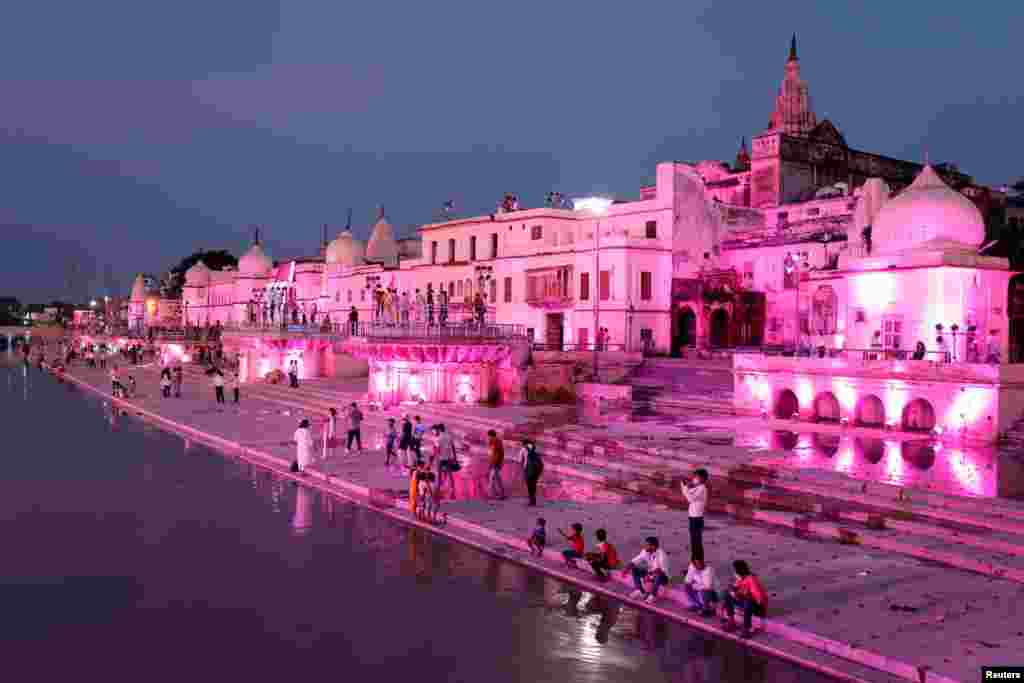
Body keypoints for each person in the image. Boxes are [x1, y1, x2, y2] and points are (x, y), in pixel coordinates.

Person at [721, 560, 767, 638]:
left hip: (758, 608)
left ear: (739, 571)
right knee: (727, 594)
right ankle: (731, 622)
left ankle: (746, 629)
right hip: (747, 603)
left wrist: (743, 594)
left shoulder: (751, 580)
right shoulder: (741, 579)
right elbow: (735, 589)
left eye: (735, 571)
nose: (734, 573)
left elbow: (759, 599)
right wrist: (733, 591)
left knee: (748, 602)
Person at [622, 536, 670, 604]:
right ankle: (640, 590)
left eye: (647, 545)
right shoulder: (645, 551)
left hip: (662, 578)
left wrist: (649, 575)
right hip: (651, 574)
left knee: (658, 575)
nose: (645, 546)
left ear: (653, 546)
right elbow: (635, 561)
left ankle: (653, 595)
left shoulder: (662, 555)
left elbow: (661, 571)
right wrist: (626, 569)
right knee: (635, 568)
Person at [682, 468, 708, 561]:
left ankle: (698, 562)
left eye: (696, 477)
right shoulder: (697, 487)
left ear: (702, 478)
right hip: (693, 517)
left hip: (697, 518)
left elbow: (690, 498)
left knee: (696, 542)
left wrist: (685, 487)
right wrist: (685, 486)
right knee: (694, 541)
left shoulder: (702, 488)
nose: (694, 479)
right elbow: (687, 494)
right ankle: (694, 562)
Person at [435, 424, 457, 498]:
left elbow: (437, 449)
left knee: (439, 473)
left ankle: (438, 488)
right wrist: (455, 457)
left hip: (441, 458)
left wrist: (436, 457)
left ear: (439, 429)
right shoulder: (449, 436)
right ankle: (452, 488)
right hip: (448, 457)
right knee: (450, 473)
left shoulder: (438, 438)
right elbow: (453, 447)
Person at [521, 440, 543, 506]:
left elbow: (520, 460)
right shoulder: (537, 449)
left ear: (524, 444)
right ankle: (533, 499)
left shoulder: (523, 449)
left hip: (528, 469)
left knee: (529, 485)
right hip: (536, 470)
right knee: (533, 484)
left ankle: (531, 500)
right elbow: (540, 461)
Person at [487, 429, 506, 499]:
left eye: (488, 436)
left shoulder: (496, 442)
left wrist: (494, 463)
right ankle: (498, 494)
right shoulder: (494, 442)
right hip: (495, 463)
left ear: (491, 435)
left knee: (494, 479)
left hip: (495, 463)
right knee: (496, 479)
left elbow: (497, 454)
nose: (488, 437)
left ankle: (494, 494)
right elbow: (493, 453)